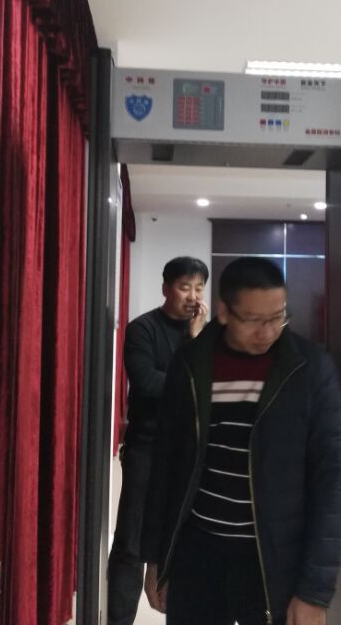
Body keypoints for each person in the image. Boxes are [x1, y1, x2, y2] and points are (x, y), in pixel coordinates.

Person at [141, 257, 341, 625]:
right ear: (224, 312)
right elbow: (166, 466)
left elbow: (332, 479)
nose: (267, 332)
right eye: (253, 320)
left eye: (277, 317)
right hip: (198, 555)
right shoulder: (190, 364)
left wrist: (315, 591)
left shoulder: (310, 369)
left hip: (274, 559)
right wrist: (157, 558)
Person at [107, 256, 210, 625]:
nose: (193, 296)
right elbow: (148, 384)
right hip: (147, 447)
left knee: (189, 539)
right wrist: (193, 345)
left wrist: (199, 342)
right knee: (132, 542)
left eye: (199, 288)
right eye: (185, 287)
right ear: (166, 288)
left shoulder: (212, 335)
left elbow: (211, 388)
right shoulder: (142, 329)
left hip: (191, 451)